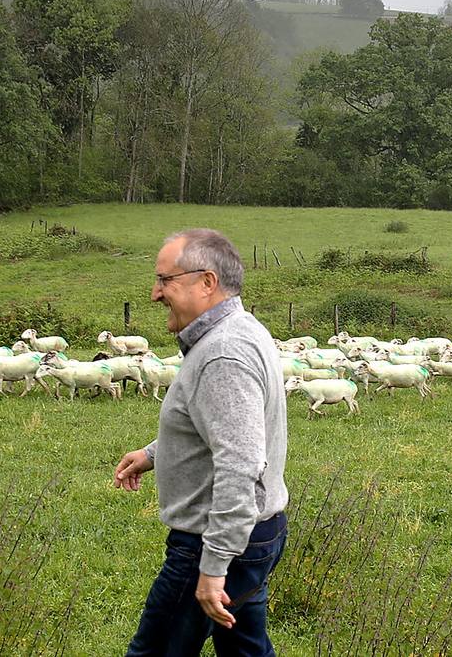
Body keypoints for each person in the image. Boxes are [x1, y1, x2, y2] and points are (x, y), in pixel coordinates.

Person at [115, 228, 289, 657]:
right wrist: (156, 453)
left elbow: (241, 464)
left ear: (206, 282)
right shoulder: (238, 330)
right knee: (245, 651)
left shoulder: (223, 353)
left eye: (165, 281)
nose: (155, 294)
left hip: (213, 539)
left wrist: (214, 567)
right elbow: (224, 429)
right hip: (250, 533)